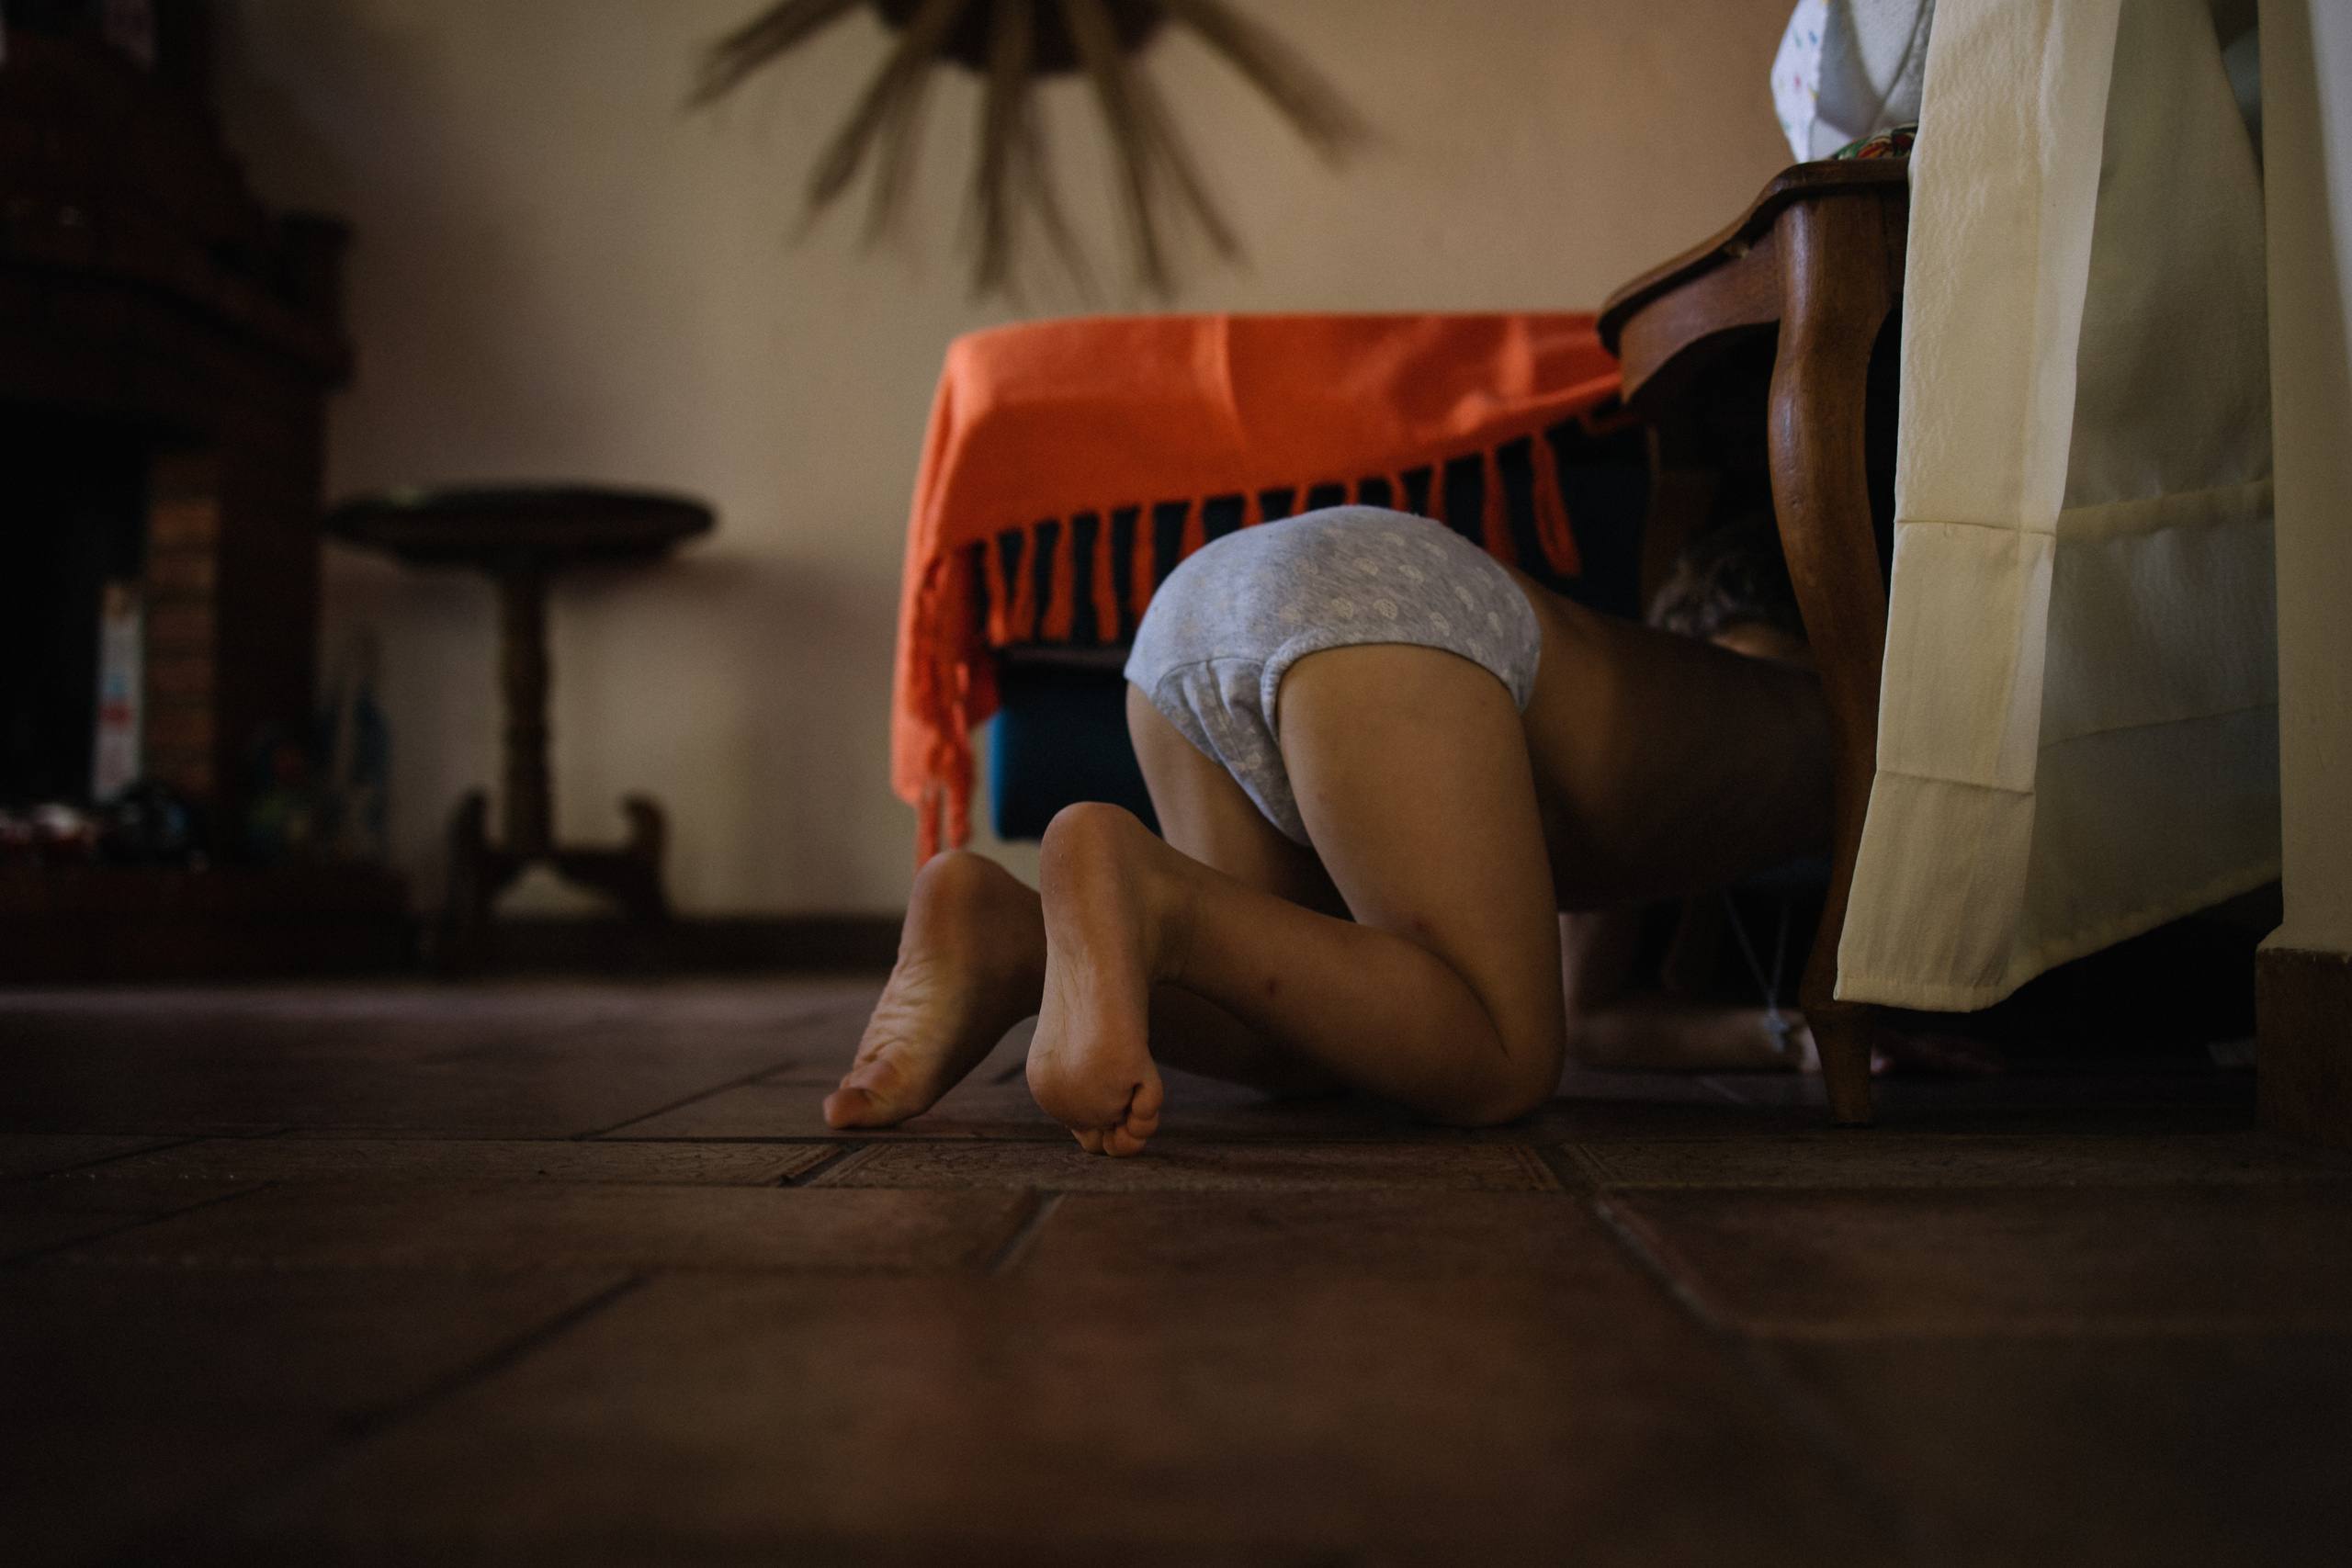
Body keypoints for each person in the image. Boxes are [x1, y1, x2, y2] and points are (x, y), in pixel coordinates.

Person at [829, 502, 1858, 1155]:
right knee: (1500, 1064)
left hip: (1198, 610)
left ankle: (1009, 940)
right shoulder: (1832, 714)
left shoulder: (1663, 724)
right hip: (1375, 608)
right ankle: (1159, 900)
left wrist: (1783, 1039)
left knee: (1308, 1049)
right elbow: (1572, 1024)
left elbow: (1596, 1007)